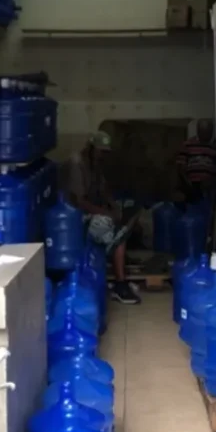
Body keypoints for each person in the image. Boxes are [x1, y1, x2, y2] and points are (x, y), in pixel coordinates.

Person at [61, 131, 141, 306]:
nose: (103, 155)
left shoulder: (95, 163)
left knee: (129, 212)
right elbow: (79, 202)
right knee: (117, 232)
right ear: (91, 148)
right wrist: (107, 213)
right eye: (100, 151)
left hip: (93, 210)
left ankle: (118, 256)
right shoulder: (77, 164)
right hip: (77, 219)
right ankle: (120, 284)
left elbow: (103, 190)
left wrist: (114, 206)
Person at [176, 119, 216, 205]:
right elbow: (180, 167)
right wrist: (188, 183)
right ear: (198, 131)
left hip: (210, 184)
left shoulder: (215, 147)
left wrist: (212, 180)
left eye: (209, 132)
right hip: (191, 183)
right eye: (204, 132)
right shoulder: (187, 145)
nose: (207, 136)